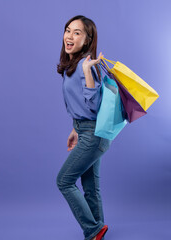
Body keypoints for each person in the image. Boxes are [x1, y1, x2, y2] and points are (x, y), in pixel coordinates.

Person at [56, 15, 112, 240]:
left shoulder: (86, 66)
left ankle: (93, 229)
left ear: (87, 40)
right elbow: (79, 106)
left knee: (64, 181)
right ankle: (99, 227)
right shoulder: (74, 64)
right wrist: (75, 129)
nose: (69, 36)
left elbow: (95, 105)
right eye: (68, 30)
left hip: (94, 135)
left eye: (76, 33)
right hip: (86, 131)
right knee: (90, 186)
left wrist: (88, 72)